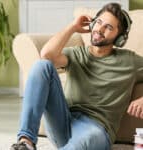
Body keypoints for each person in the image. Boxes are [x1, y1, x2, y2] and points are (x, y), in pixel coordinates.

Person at [10, 2, 143, 150]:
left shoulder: (130, 61)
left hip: (97, 129)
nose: (100, 29)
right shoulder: (77, 54)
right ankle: (26, 142)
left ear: (120, 38)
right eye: (98, 22)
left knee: (88, 138)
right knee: (42, 65)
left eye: (109, 27)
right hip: (64, 121)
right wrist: (72, 27)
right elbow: (46, 55)